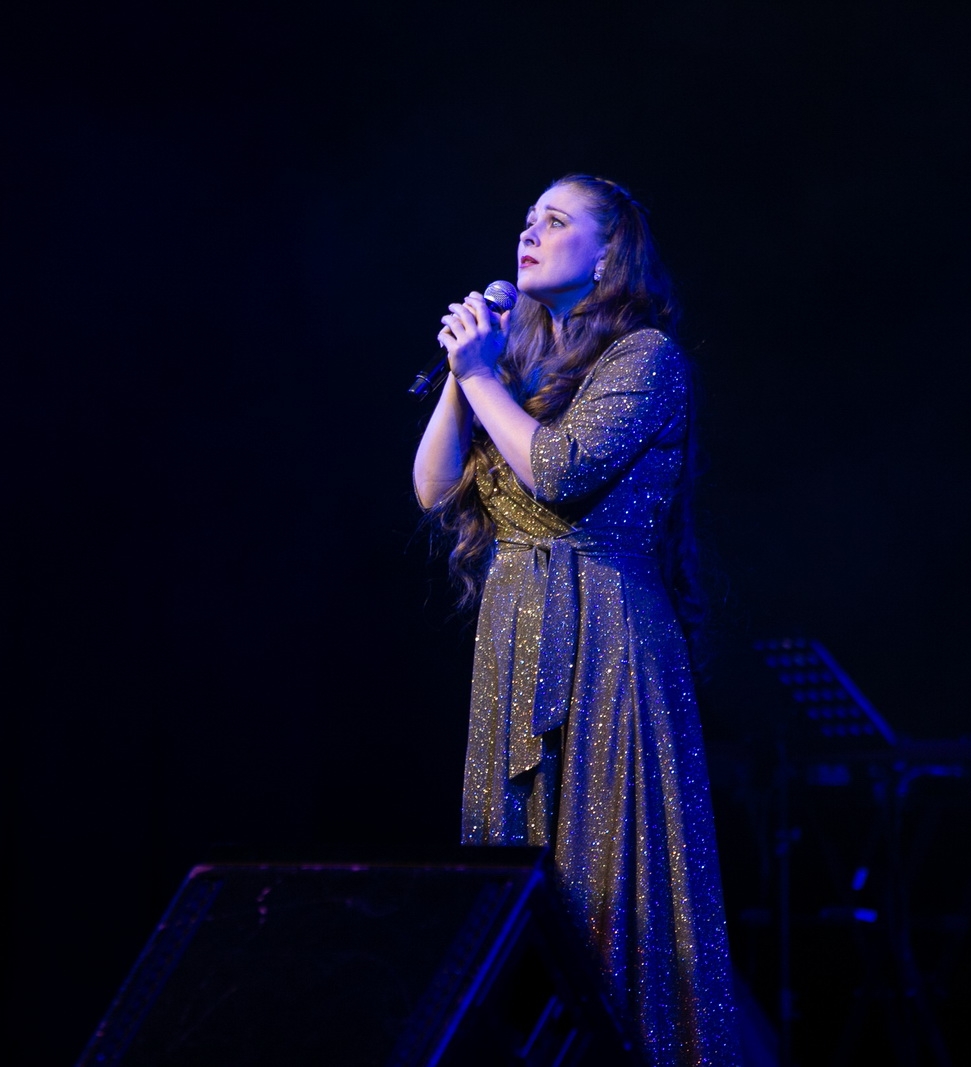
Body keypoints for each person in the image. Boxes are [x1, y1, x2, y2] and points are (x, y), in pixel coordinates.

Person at [413, 174, 739, 1063]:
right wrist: (464, 372)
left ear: (606, 256)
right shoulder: (513, 365)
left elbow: (556, 470)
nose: (529, 232)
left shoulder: (646, 358)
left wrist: (482, 377)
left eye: (555, 221)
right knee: (517, 887)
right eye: (527, 218)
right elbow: (433, 486)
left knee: (607, 883)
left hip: (608, 643)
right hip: (517, 638)